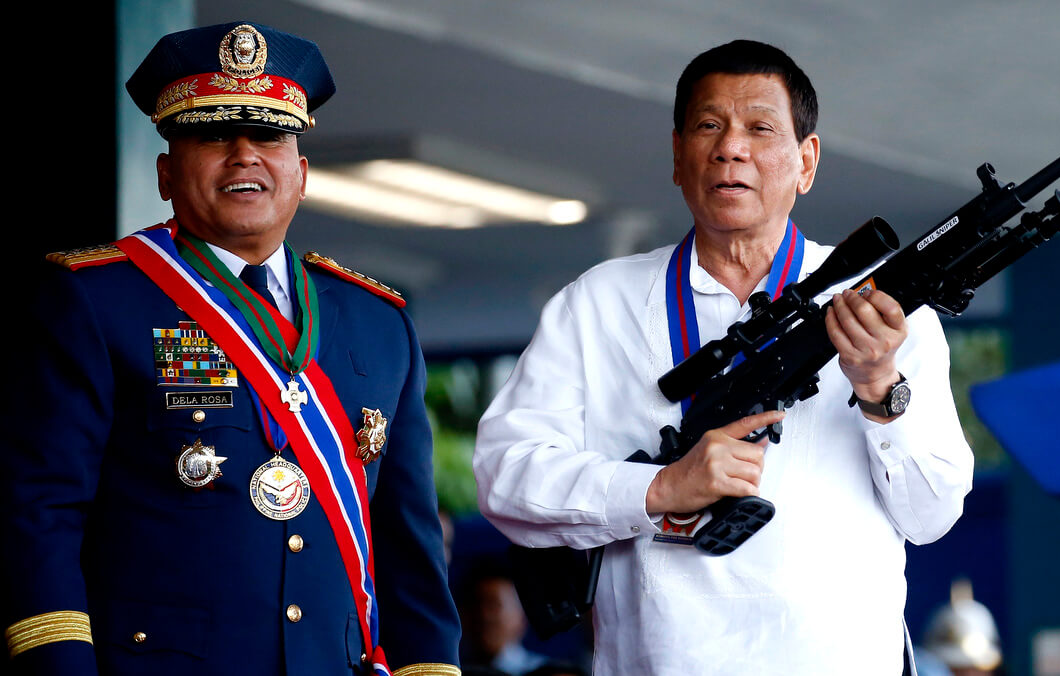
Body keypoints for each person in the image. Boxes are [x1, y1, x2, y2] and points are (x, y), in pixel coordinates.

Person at [473, 40, 973, 674]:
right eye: (709, 125)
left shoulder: (881, 310)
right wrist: (659, 487)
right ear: (678, 156)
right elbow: (504, 475)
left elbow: (933, 516)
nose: (730, 148)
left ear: (806, 162)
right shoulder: (599, 303)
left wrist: (879, 384)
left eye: (760, 128)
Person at [1, 21, 460, 676]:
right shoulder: (96, 302)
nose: (244, 154)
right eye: (213, 135)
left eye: (269, 136)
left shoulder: (377, 324)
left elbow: (410, 551)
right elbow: (40, 518)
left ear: (299, 174)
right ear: (165, 172)